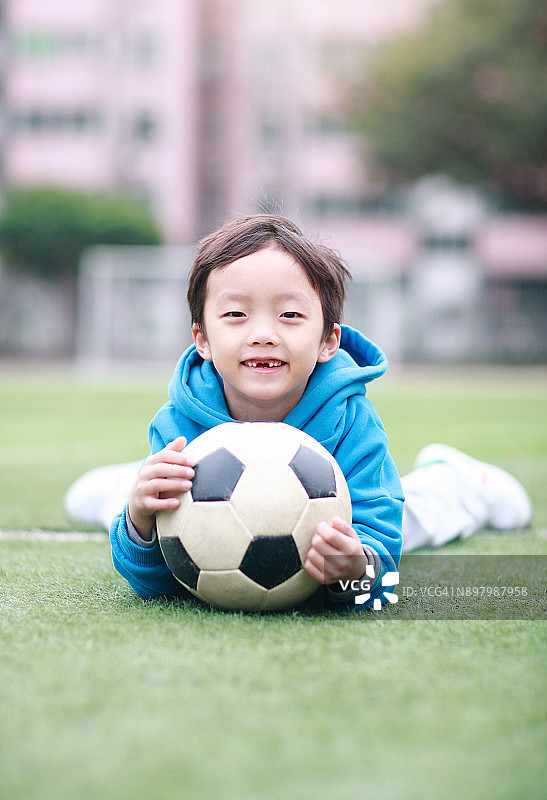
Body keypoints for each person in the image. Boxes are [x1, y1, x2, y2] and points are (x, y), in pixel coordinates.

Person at [65, 214, 532, 609]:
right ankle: (121, 493)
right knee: (141, 497)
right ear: (201, 339)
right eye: (235, 315)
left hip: (349, 511)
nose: (264, 333)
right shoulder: (178, 424)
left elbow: (378, 579)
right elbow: (154, 586)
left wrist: (355, 568)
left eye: (290, 315)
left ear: (328, 340)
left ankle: (461, 482)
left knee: (414, 519)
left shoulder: (350, 421)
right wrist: (140, 520)